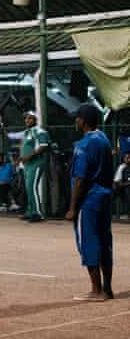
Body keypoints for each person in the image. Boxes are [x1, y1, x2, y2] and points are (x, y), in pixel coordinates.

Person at [66, 104, 114, 302]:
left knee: (88, 243)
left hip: (88, 200)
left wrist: (72, 207)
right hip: (104, 197)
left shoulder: (84, 145)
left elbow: (79, 178)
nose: (75, 120)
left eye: (77, 117)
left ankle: (96, 291)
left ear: (83, 120)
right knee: (104, 242)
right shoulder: (103, 138)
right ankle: (107, 288)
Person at [1, 111, 50, 222]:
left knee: (32, 187)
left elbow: (44, 146)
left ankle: (37, 213)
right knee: (28, 188)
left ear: (35, 120)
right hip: (27, 164)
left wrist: (28, 156)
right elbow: (10, 136)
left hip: (36, 163)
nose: (27, 120)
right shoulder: (27, 132)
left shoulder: (39, 131)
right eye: (26, 118)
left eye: (30, 118)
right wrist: (2, 125)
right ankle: (30, 211)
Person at [113, 153, 130, 219]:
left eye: (129, 157)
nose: (128, 159)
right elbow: (118, 182)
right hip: (123, 188)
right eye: (127, 158)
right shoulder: (122, 167)